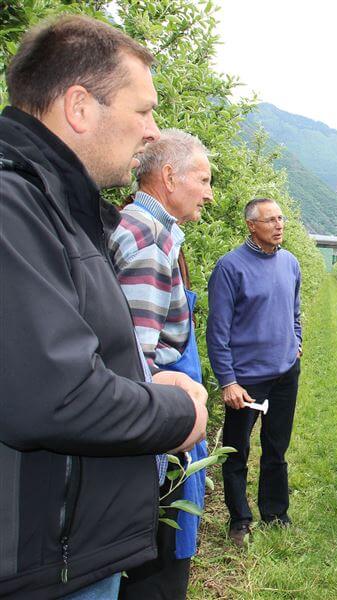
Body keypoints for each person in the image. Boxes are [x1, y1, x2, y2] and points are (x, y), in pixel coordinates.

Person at [0, 15, 207, 599]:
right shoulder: (13, 206)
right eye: (142, 111)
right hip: (40, 567)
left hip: (65, 552)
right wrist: (175, 414)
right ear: (80, 106)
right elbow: (56, 396)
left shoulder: (62, 211)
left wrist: (141, 380)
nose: (152, 130)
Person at [109, 129, 214, 599]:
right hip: (156, 431)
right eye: (204, 179)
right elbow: (136, 366)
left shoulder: (152, 233)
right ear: (169, 177)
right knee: (157, 567)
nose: (210, 194)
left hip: (165, 417)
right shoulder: (150, 244)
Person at [206, 198, 302, 547]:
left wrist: (296, 341)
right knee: (237, 450)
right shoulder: (230, 267)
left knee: (276, 447)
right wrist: (228, 381)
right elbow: (217, 330)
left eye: (281, 218)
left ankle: (275, 512)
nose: (279, 225)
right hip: (246, 378)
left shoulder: (290, 263)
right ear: (251, 225)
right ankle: (239, 519)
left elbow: (294, 310)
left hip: (284, 373)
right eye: (270, 220)